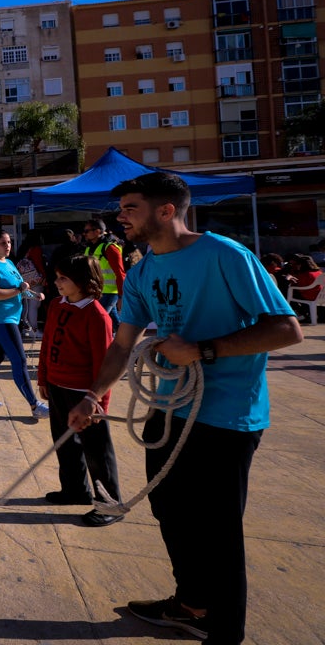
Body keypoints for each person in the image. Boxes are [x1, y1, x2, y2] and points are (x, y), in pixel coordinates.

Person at [68, 172, 302, 644]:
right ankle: (192, 603)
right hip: (169, 409)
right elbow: (121, 346)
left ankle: (225, 631)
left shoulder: (225, 255)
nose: (120, 217)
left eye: (130, 208)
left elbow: (286, 330)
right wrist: (94, 396)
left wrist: (203, 350)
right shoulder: (142, 271)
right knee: (169, 507)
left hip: (227, 416)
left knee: (218, 530)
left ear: (166, 210)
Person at [37, 254, 120, 527]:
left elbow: (104, 363)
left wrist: (99, 404)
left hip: (84, 395)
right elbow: (48, 341)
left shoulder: (97, 315)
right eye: (57, 277)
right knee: (64, 443)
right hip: (58, 387)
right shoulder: (55, 305)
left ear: (82, 282)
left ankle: (110, 504)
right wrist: (43, 378)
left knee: (97, 452)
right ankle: (75, 489)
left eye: (63, 278)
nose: (56, 282)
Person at [0, 229, 49, 418]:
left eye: (9, 242)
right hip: (0, 317)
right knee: (19, 360)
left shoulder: (10, 263)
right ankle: (34, 405)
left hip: (11, 316)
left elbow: (21, 288)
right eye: (3, 243)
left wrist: (34, 294)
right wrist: (19, 290)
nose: (8, 246)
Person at [83, 219, 126, 332]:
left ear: (97, 231)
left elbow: (120, 273)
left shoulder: (110, 248)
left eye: (87, 231)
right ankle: (125, 343)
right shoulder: (88, 248)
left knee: (98, 320)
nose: (85, 233)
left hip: (110, 292)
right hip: (96, 291)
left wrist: (122, 296)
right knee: (114, 322)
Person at [17, 231, 46, 339]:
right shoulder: (36, 249)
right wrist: (44, 276)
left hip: (24, 280)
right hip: (36, 280)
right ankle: (34, 329)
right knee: (34, 305)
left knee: (26, 305)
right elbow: (39, 264)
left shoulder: (22, 249)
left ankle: (26, 328)